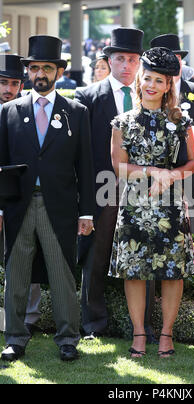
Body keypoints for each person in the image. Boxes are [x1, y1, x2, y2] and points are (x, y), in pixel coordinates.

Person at [0, 35, 95, 362]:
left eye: (48, 68)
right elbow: (1, 163)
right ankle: (14, 338)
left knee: (63, 274)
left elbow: (86, 165)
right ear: (28, 71)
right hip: (18, 206)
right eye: (36, 67)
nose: (41, 73)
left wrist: (87, 213)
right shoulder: (9, 112)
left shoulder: (76, 112)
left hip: (61, 206)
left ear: (58, 71)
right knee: (16, 273)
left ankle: (68, 339)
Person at [110, 46, 194, 358]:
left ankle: (166, 335)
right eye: (148, 79)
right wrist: (151, 171)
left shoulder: (180, 120)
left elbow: (193, 163)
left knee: (171, 272)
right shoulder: (122, 122)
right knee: (134, 271)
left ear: (168, 85)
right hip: (134, 206)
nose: (152, 85)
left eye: (159, 81)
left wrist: (169, 177)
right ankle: (138, 335)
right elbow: (119, 167)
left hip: (171, 205)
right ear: (139, 80)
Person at [75, 28, 159, 342]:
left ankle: (143, 326)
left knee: (142, 257)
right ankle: (93, 325)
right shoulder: (87, 96)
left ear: (140, 62)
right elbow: (82, 152)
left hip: (142, 187)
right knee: (96, 255)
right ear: (109, 59)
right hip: (102, 185)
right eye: (120, 58)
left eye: (132, 59)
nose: (126, 65)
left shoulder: (151, 95)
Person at [150, 34, 194, 237]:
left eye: (175, 58)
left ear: (180, 61)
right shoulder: (147, 95)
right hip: (154, 178)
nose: (171, 64)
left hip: (192, 177)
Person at [0, 54, 42, 336]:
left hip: (20, 197)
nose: (9, 89)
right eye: (3, 82)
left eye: (15, 83)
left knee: (27, 259)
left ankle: (29, 318)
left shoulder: (29, 111)